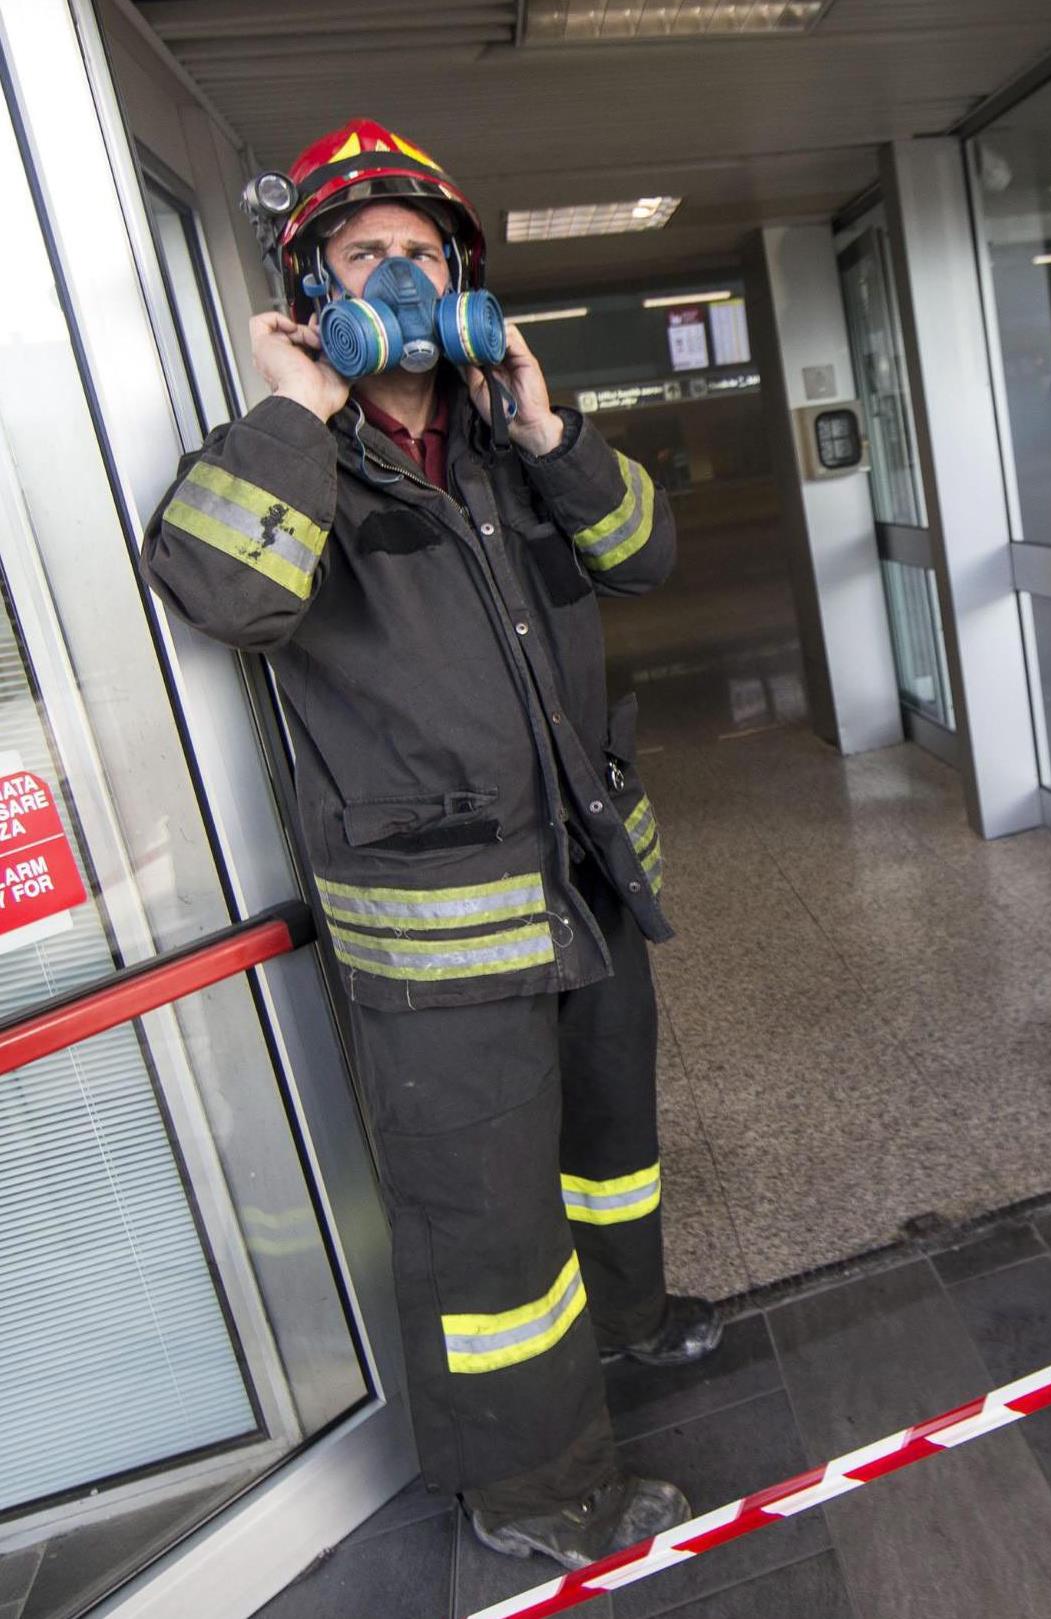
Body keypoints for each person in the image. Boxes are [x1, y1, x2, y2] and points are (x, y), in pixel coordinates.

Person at [141, 119, 719, 1569]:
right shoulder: (291, 463)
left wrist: (548, 425)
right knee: (493, 1232)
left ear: (462, 279)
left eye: (422, 252)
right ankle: (537, 1491)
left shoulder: (510, 443)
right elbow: (222, 597)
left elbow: (645, 555)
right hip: (446, 931)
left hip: (582, 883)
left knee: (607, 1150)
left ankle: (630, 1323)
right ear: (311, 292)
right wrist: (297, 410)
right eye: (363, 256)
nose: (400, 276)